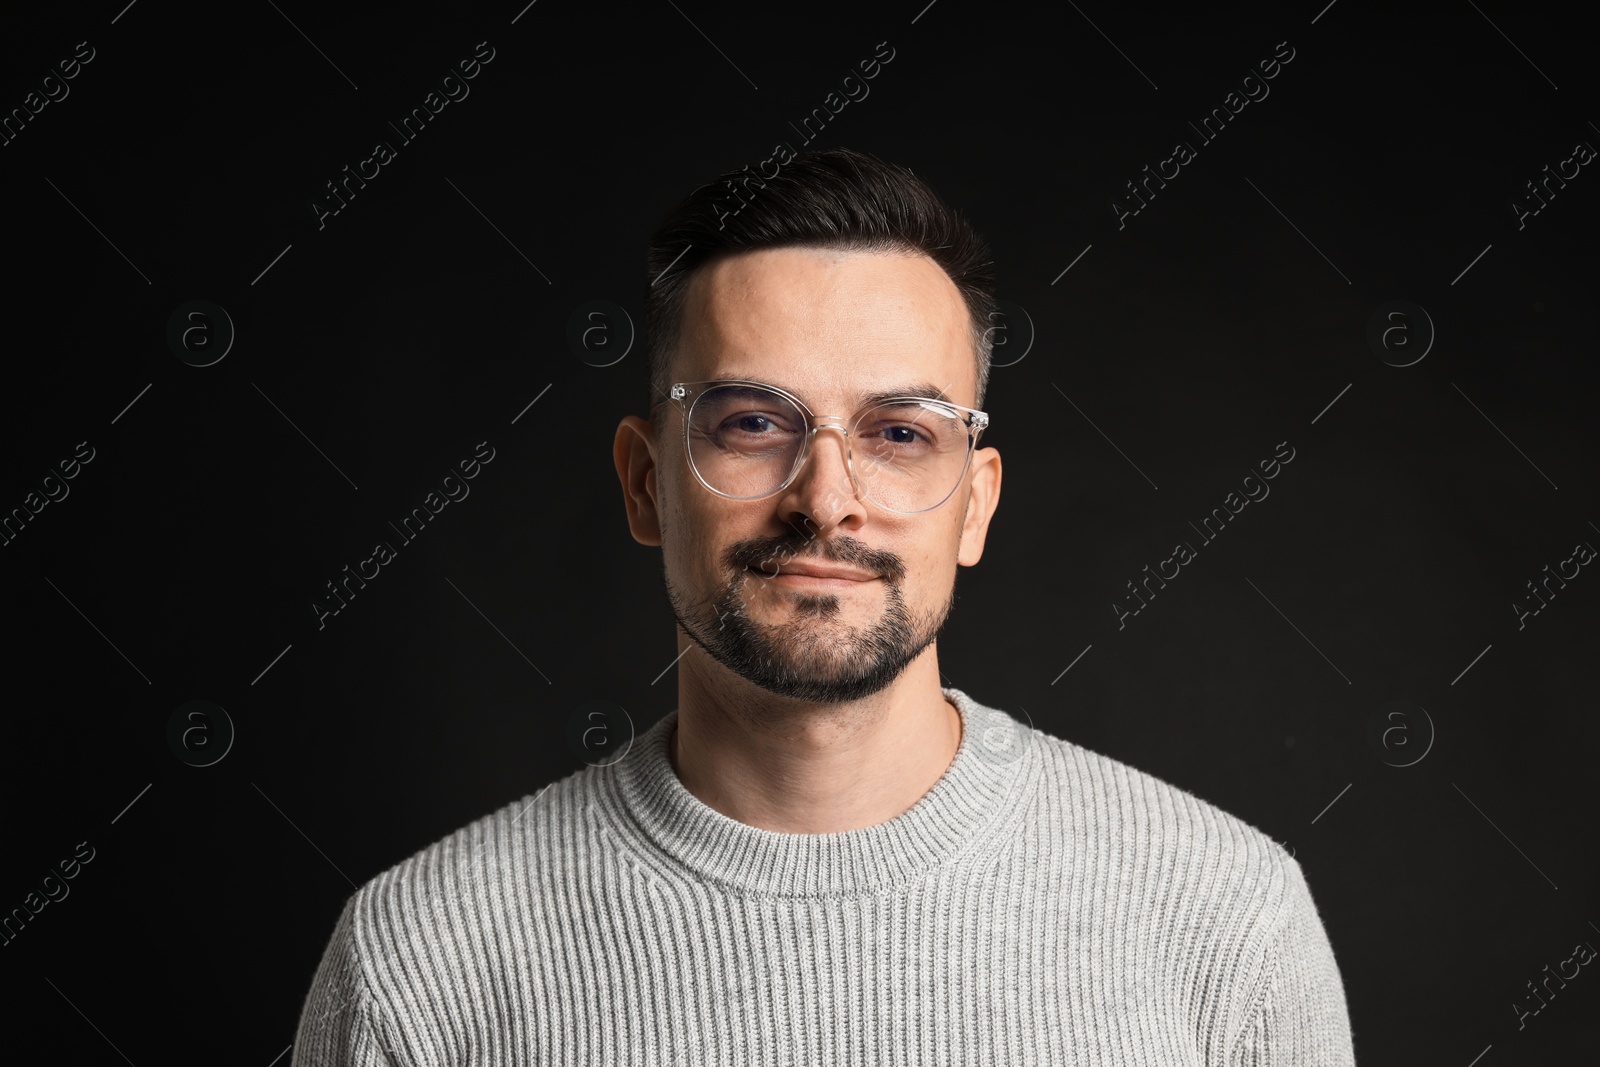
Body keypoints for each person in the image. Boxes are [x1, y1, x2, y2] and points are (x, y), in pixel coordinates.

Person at [291, 147, 1358, 1065]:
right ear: (643, 481)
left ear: (974, 503)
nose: (826, 498)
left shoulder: (1228, 921)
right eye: (752, 421)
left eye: (900, 432)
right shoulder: (419, 959)